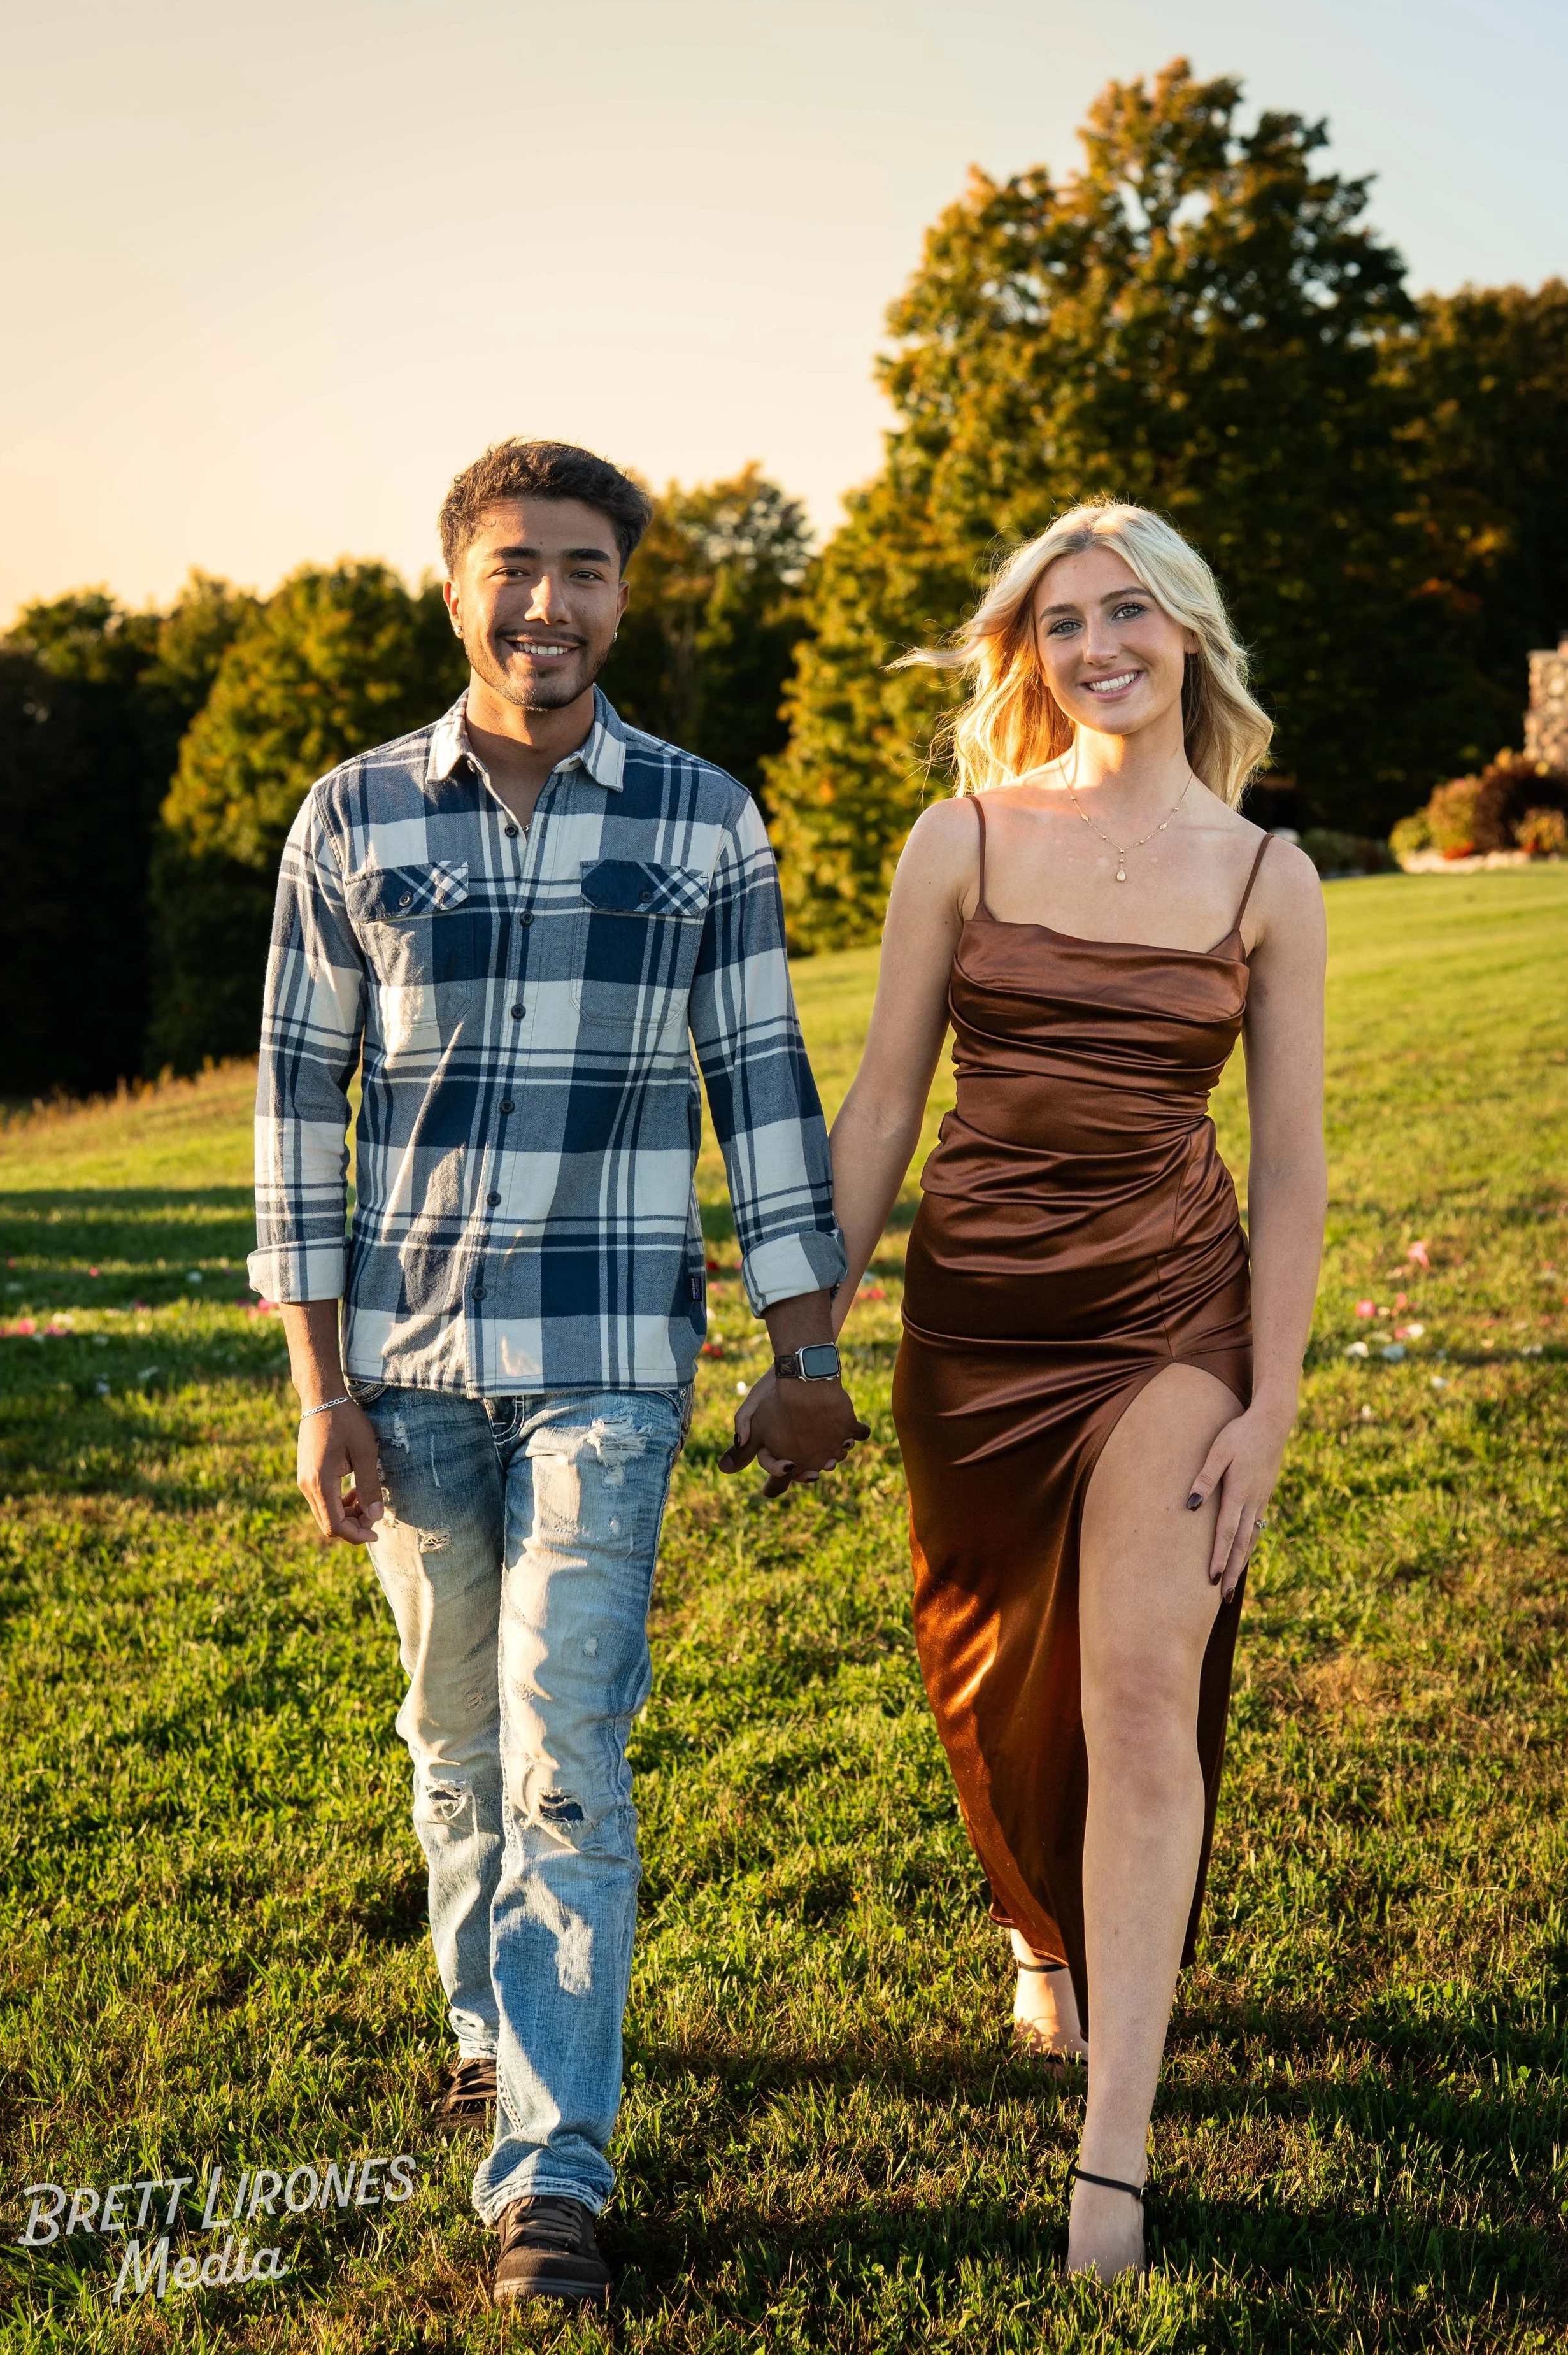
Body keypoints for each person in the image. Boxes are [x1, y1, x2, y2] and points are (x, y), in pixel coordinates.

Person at [248, 437, 866, 2308]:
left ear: (623, 593)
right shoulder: (353, 819)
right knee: (453, 1741)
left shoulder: (700, 820)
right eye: (514, 567)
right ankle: (481, 2013)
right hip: (410, 1362)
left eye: (584, 570)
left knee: (562, 1752)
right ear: (455, 587)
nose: (548, 603)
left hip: (609, 1355)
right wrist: (318, 1385)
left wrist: (804, 1347)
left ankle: (548, 2178)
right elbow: (296, 1116)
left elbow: (757, 1082)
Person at [739, 499, 1326, 2280]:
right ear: (1026, 653)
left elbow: (1290, 1164)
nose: (1097, 646)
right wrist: (804, 1338)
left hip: (1167, 1312)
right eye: (1063, 620)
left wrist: (1269, 1399)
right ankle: (1037, 1932)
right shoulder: (963, 839)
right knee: (993, 1684)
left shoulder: (1260, 875)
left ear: (1188, 635)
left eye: (1128, 610)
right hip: (974, 1332)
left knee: (1139, 1696)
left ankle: (1115, 2152)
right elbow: (879, 1110)